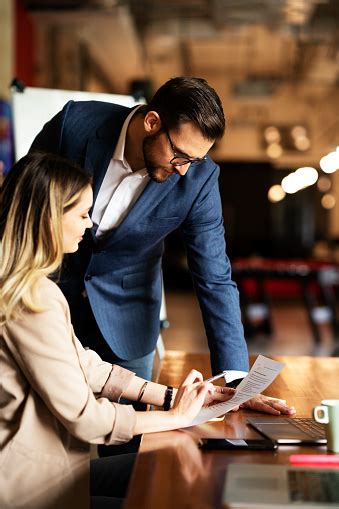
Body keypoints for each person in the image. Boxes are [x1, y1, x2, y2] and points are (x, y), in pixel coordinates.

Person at [0, 152, 243, 509]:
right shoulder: (32, 298)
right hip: (34, 489)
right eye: (82, 214)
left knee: (174, 472)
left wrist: (168, 396)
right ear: (50, 218)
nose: (89, 225)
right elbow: (86, 419)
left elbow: (84, 365)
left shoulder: (27, 287)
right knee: (180, 487)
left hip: (51, 471)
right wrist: (176, 417)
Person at [28, 76, 249, 383]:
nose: (184, 169)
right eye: (180, 155)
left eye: (195, 160)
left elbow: (215, 278)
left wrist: (236, 379)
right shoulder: (74, 126)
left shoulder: (199, 179)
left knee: (128, 428)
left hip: (127, 322)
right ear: (152, 122)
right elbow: (21, 209)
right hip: (45, 305)